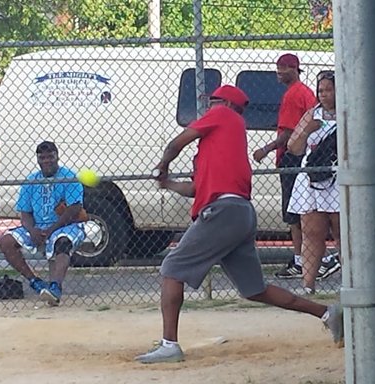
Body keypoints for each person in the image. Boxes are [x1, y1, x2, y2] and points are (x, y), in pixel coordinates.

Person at [135, 84, 343, 364]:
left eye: (215, 101)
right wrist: (169, 183)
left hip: (223, 212)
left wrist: (162, 165)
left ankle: (169, 344)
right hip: (239, 213)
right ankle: (327, 313)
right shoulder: (222, 144)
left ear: (227, 104)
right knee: (254, 289)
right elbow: (197, 188)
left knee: (172, 269)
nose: (210, 106)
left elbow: (175, 143)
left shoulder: (225, 116)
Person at [252, 53, 340, 279]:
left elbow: (290, 134)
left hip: (300, 160)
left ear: (295, 69)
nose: (279, 72)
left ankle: (302, 260)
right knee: (306, 216)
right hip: (312, 162)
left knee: (297, 216)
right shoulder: (307, 97)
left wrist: (266, 149)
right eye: (278, 67)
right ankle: (309, 266)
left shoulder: (295, 94)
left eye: (284, 67)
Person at [0, 141, 87, 306]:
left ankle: (55, 287)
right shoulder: (31, 181)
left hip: (65, 225)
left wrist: (50, 230)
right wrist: (32, 231)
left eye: (50, 157)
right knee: (6, 241)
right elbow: (25, 213)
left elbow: (74, 208)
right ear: (38, 159)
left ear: (57, 157)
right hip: (38, 227)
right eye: (42, 157)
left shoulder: (69, 177)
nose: (47, 161)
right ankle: (35, 282)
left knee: (63, 241)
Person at [286, 70, 341, 294]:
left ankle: (349, 283)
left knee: (342, 234)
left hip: (338, 178)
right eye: (321, 90)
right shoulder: (312, 115)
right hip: (312, 178)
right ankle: (308, 285)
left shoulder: (349, 113)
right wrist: (307, 131)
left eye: (329, 90)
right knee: (311, 233)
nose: (324, 95)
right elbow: (294, 148)